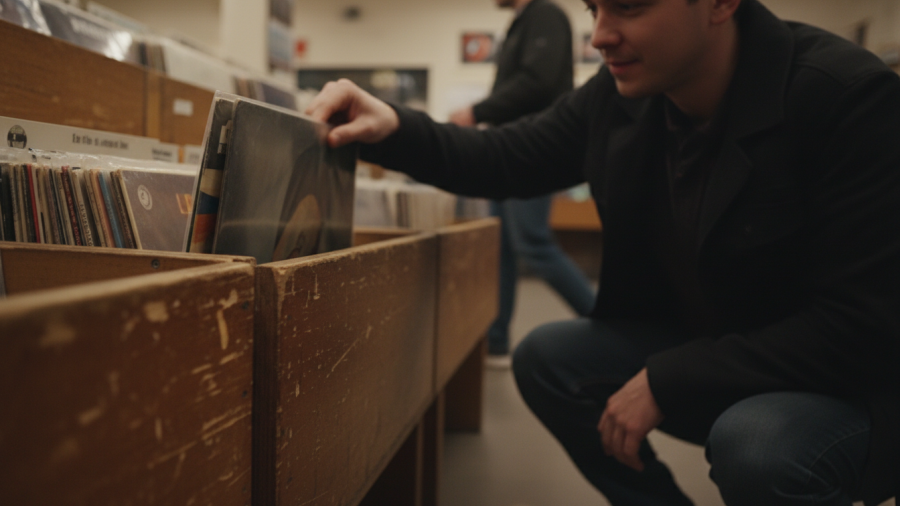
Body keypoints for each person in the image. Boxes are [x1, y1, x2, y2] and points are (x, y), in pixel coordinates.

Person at [306, 0, 900, 504]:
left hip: (849, 383)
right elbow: (509, 155)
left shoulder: (847, 97)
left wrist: (671, 379)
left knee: (759, 445)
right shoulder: (624, 97)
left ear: (721, 3)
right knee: (550, 359)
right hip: (724, 348)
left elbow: (863, 325)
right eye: (594, 7)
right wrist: (395, 128)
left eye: (631, 6)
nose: (599, 35)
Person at [449, 0, 595, 362]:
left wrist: (476, 111)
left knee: (532, 243)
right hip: (509, 149)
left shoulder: (545, 15)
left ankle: (609, 324)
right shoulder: (521, 22)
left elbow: (538, 82)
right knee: (501, 246)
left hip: (534, 149)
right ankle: (496, 341)